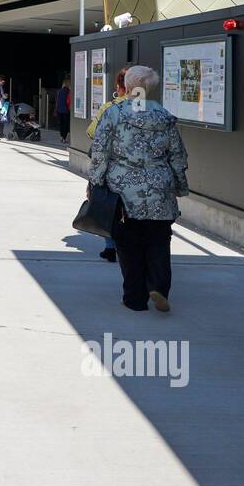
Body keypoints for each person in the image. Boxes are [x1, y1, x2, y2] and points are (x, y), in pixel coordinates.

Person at [87, 65, 189, 313]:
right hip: (159, 189)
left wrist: (95, 181)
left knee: (128, 243)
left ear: (129, 86)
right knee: (159, 240)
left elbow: (100, 151)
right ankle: (159, 287)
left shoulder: (114, 114)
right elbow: (178, 155)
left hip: (124, 191)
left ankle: (134, 298)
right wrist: (179, 186)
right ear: (151, 87)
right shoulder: (164, 116)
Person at [85, 67, 130, 261]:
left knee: (108, 205)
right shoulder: (151, 109)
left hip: (112, 168)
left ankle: (110, 247)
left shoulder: (109, 108)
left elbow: (92, 133)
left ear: (119, 86)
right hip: (140, 172)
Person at [55, 78, 71, 144]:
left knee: (61, 124)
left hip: (59, 110)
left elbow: (57, 101)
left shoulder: (59, 91)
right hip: (66, 111)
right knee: (66, 125)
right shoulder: (69, 91)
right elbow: (68, 101)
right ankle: (64, 138)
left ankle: (61, 137)